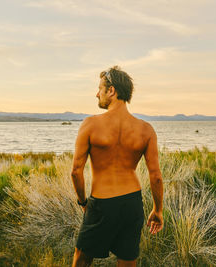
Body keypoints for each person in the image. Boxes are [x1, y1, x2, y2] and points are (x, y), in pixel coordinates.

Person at [71, 66, 164, 267]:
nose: (97, 94)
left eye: (100, 89)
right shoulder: (146, 130)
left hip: (102, 203)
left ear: (111, 90)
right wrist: (157, 210)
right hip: (132, 204)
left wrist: (83, 202)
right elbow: (156, 176)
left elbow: (76, 171)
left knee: (82, 258)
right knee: (127, 261)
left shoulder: (90, 124)